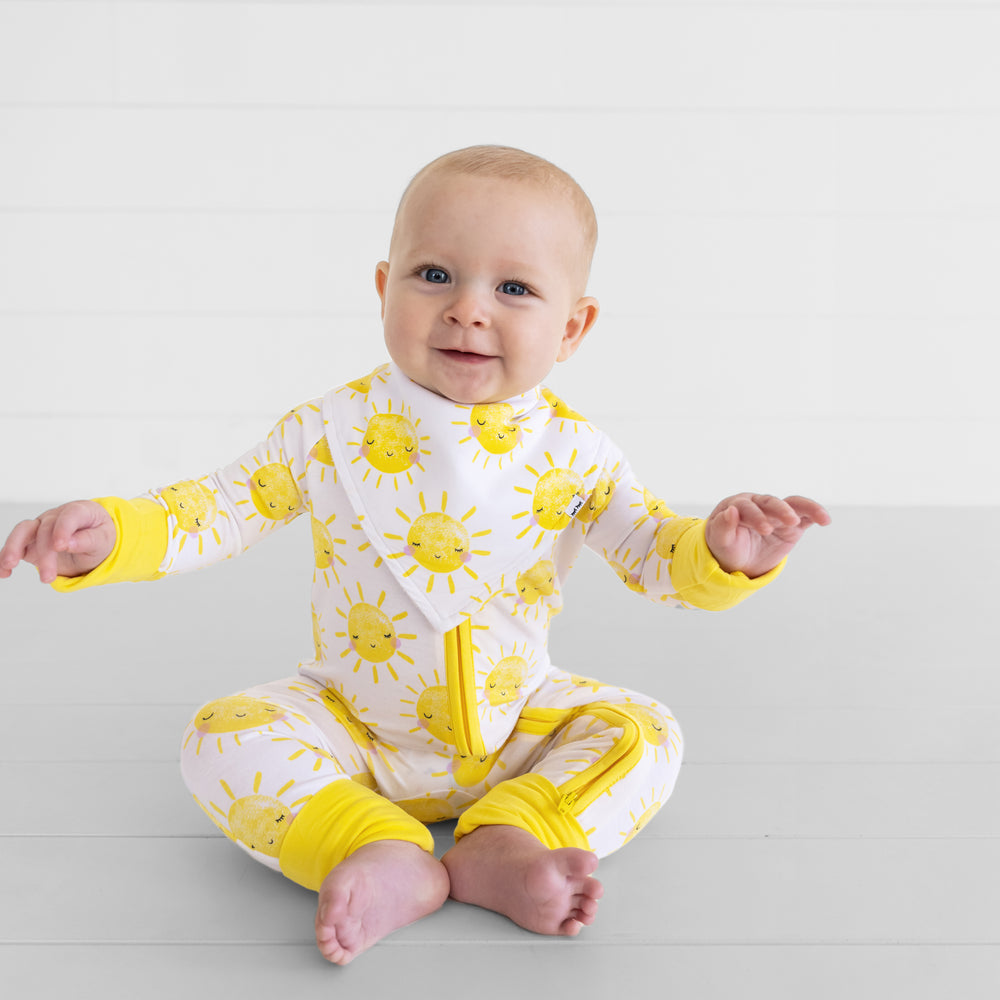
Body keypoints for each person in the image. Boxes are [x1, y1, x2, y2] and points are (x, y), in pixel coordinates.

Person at [0, 145, 831, 965]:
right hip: (352, 725)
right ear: (382, 287)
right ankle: (376, 846)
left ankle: (510, 836)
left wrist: (724, 553)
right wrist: (112, 534)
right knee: (221, 738)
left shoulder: (578, 454)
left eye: (514, 289)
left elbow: (655, 556)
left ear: (572, 326)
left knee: (646, 732)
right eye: (434, 275)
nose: (469, 310)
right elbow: (218, 508)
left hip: (516, 725)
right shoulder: (328, 430)